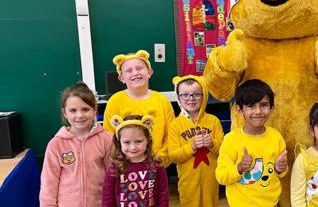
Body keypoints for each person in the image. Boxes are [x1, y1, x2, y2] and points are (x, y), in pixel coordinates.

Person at [215, 79, 288, 207]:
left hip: (271, 203)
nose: (258, 111)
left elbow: (280, 172)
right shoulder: (231, 140)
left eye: (264, 105)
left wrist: (280, 169)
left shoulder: (276, 137)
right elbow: (221, 176)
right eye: (251, 106)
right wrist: (239, 168)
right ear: (239, 110)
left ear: (272, 108)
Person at [40, 82, 113, 206]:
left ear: (95, 110)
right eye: (73, 110)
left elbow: (112, 177)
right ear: (65, 112)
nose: (79, 115)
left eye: (85, 109)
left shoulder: (106, 139)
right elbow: (49, 183)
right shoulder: (56, 144)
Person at [103, 49, 175, 166]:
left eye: (139, 68)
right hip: (126, 166)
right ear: (122, 78)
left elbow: (171, 135)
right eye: (129, 70)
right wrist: (122, 161)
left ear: (149, 72)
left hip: (156, 165)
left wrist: (160, 159)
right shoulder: (115, 101)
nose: (135, 73)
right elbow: (109, 137)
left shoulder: (162, 100)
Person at [168, 75, 224, 207]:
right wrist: (191, 146)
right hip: (188, 182)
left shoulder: (213, 121)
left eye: (196, 94)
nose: (191, 99)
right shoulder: (175, 125)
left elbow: (223, 150)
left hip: (211, 180)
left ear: (204, 96)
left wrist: (212, 144)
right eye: (185, 95)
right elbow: (173, 156)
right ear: (179, 98)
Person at [102, 115, 169, 207]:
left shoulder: (157, 165)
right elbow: (107, 197)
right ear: (119, 142)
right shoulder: (114, 167)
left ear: (148, 141)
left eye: (138, 141)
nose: (133, 147)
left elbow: (163, 194)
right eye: (127, 142)